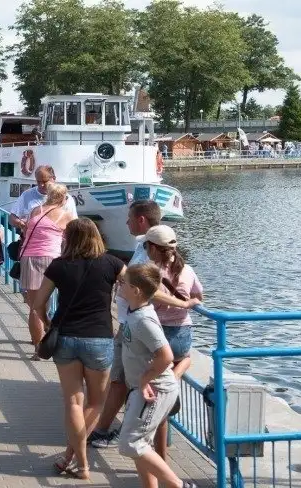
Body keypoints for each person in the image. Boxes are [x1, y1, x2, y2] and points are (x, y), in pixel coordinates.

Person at [89, 202, 201, 450]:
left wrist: (180, 303)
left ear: (142, 222)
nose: (126, 223)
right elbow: (198, 295)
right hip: (162, 327)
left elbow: (148, 289)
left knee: (129, 382)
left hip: (141, 327)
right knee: (152, 381)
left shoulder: (147, 259)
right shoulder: (181, 266)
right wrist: (185, 304)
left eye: (129, 218)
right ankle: (155, 447)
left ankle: (116, 432)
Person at [31, 218, 126, 480]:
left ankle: (75, 460)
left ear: (69, 239)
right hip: (99, 339)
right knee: (96, 402)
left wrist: (48, 322)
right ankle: (76, 460)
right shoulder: (112, 263)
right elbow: (136, 285)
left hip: (65, 338)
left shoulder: (59, 265)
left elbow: (38, 303)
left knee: (73, 402)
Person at [117, 264, 198, 488]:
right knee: (141, 444)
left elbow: (166, 356)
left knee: (130, 444)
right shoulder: (135, 312)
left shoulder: (144, 319)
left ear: (136, 291)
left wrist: (144, 379)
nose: (119, 285)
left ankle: (178, 485)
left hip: (155, 390)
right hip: (141, 388)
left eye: (123, 283)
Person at [143, 224, 203, 460]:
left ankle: (160, 455)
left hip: (157, 334)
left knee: (158, 398)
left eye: (146, 246)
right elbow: (199, 295)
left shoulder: (149, 272)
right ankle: (175, 378)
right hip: (182, 333)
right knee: (185, 358)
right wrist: (186, 302)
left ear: (153, 248)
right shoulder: (187, 270)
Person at [19, 183, 75, 355]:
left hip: (28, 257)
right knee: (60, 301)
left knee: (35, 307)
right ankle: (55, 336)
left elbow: (26, 232)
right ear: (63, 198)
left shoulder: (36, 211)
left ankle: (38, 348)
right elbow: (73, 240)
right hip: (51, 259)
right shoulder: (66, 215)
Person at [10, 166, 78, 231]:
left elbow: (73, 222)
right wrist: (20, 223)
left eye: (44, 181)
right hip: (32, 237)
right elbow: (12, 218)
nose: (41, 185)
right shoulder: (26, 195)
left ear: (54, 178)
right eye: (38, 182)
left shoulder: (66, 198)